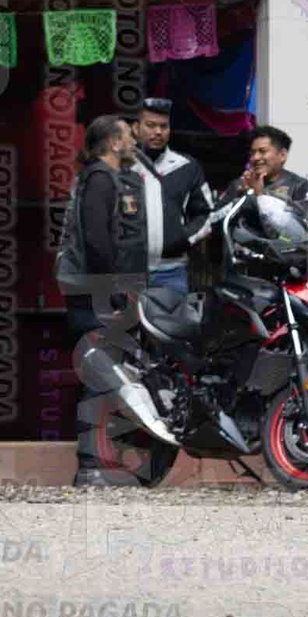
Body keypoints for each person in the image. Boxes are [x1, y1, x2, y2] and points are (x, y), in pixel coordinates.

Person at [54, 115, 148, 487]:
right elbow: (97, 240)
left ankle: (103, 462)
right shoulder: (100, 180)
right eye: (127, 135)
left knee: (105, 372)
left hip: (92, 289)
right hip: (93, 293)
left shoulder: (100, 178)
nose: (134, 140)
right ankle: (92, 465)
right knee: (99, 372)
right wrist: (112, 290)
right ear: (113, 143)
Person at [129, 97, 214, 294]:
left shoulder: (186, 167)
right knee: (124, 316)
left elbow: (206, 214)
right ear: (136, 128)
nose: (158, 132)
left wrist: (183, 238)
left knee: (172, 316)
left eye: (164, 126)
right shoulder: (122, 166)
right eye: (151, 125)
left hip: (171, 272)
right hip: (127, 270)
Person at [219, 125, 308, 205]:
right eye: (252, 153)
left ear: (282, 155)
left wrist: (260, 195)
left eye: (262, 151)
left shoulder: (300, 186)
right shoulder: (238, 185)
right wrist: (239, 198)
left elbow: (302, 221)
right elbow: (215, 217)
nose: (255, 157)